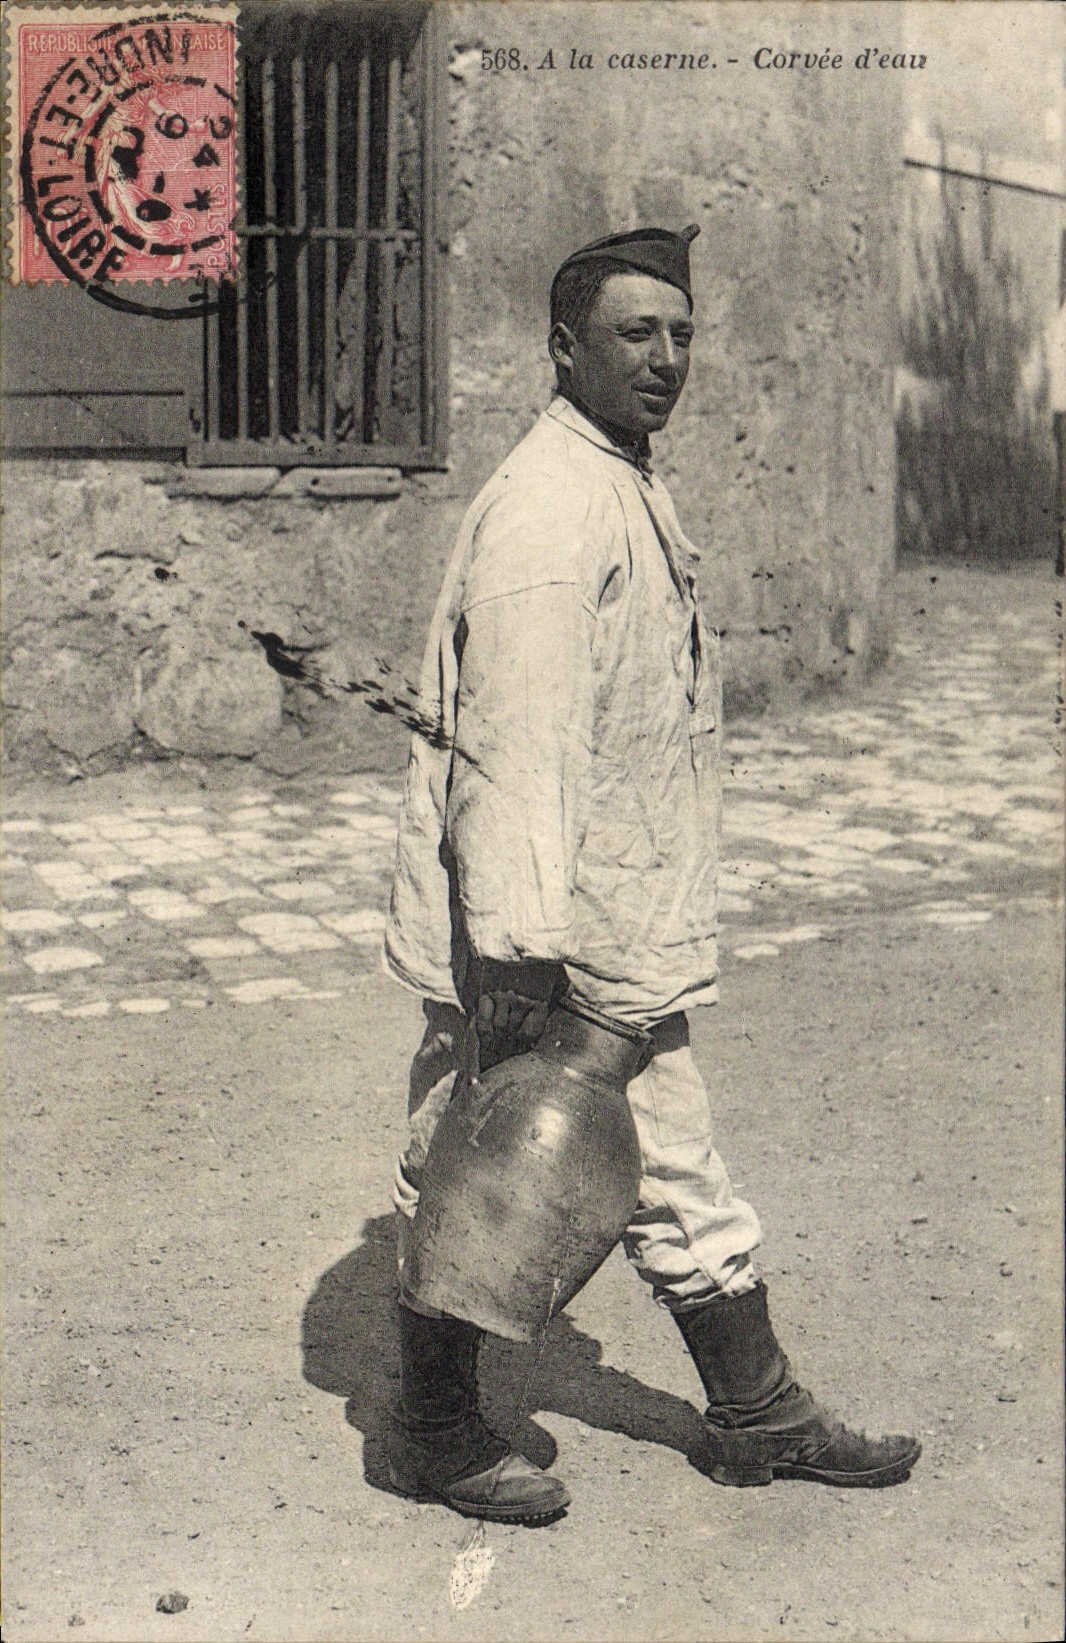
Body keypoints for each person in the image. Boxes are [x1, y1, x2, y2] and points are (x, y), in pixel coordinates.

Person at [382, 225, 921, 1524]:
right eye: (635, 333)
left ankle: (751, 1412)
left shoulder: (614, 473)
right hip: (551, 936)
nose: (666, 358)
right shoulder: (553, 511)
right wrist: (516, 964)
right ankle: (441, 1430)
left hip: (612, 915)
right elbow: (510, 752)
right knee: (484, 1161)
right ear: (563, 345)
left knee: (634, 1161)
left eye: (680, 334)